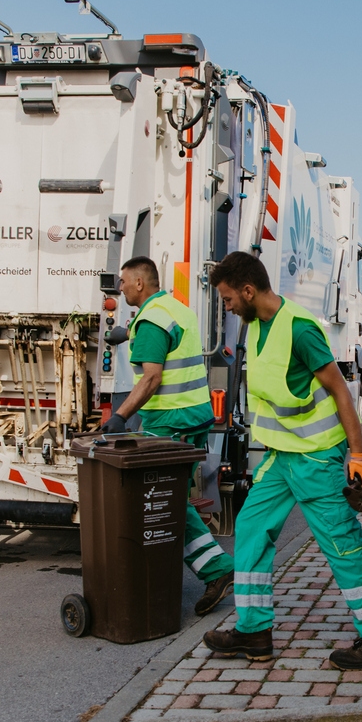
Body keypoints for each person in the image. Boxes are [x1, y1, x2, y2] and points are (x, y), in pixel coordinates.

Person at [202, 251, 362, 670]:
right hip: (281, 459)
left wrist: (359, 455)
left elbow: (341, 391)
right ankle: (254, 629)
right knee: (251, 528)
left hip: (315, 459)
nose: (227, 306)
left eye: (227, 298)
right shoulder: (255, 327)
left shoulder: (299, 330)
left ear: (247, 290)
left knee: (341, 545)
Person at [99, 257, 235, 616]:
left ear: (140, 283)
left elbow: (151, 378)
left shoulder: (150, 319)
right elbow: (170, 341)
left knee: (165, 501)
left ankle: (217, 570)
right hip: (193, 415)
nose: (121, 288)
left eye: (125, 282)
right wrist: (129, 334)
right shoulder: (175, 308)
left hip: (168, 420)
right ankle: (200, 568)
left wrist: (120, 416)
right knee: (172, 499)